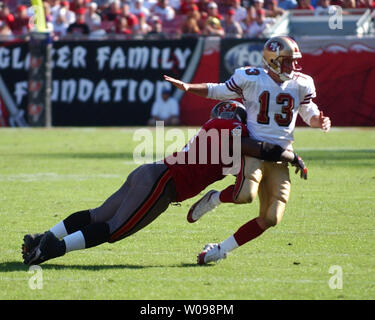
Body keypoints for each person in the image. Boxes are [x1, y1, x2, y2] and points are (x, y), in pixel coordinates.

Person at [21, 100, 307, 266]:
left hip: (151, 173)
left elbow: (241, 183)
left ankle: (44, 236)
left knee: (99, 214)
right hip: (162, 183)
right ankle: (53, 248)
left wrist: (216, 198)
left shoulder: (222, 134)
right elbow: (258, 148)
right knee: (115, 229)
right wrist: (290, 155)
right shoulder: (228, 128)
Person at [164, 36, 331, 264]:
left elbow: (308, 111)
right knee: (245, 195)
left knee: (272, 217)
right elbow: (218, 91)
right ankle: (214, 199)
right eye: (287, 61)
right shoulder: (251, 78)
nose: (292, 66)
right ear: (272, 60)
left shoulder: (302, 83)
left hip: (281, 153)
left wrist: (318, 121)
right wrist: (188, 87)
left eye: (293, 61)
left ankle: (220, 249)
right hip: (253, 148)